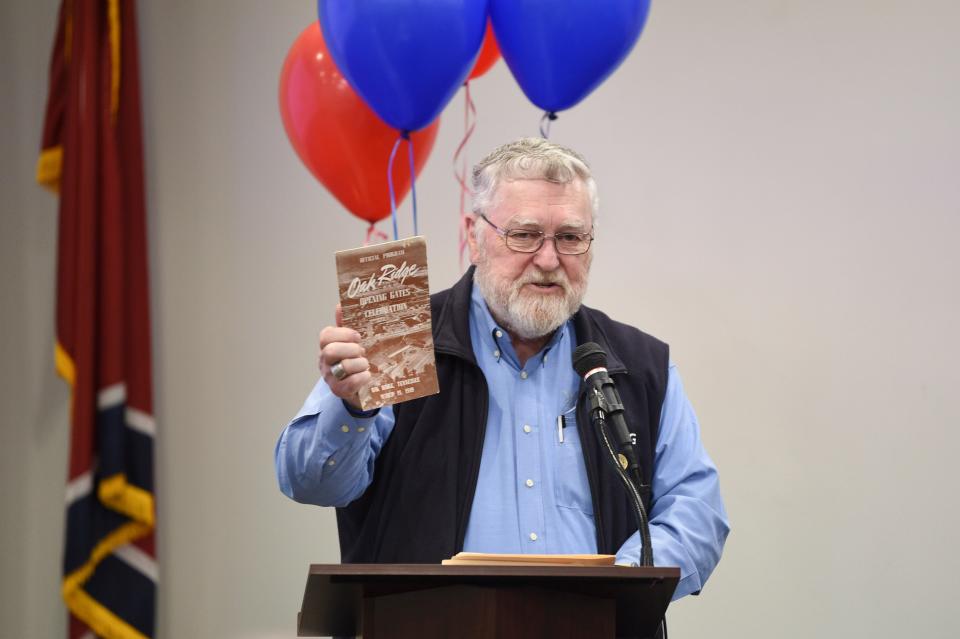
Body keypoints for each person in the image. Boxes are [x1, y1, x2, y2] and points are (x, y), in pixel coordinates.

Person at [275, 138, 729, 600]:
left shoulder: (640, 366)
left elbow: (698, 513)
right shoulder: (399, 339)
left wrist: (622, 583)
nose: (549, 260)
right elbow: (311, 482)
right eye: (524, 234)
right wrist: (351, 407)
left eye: (570, 237)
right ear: (474, 235)